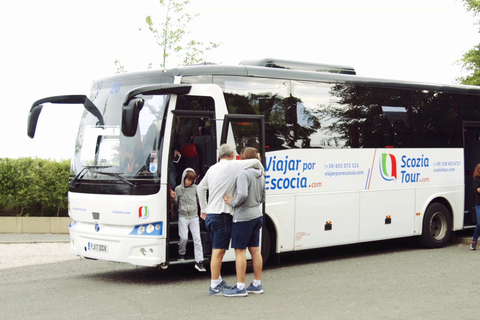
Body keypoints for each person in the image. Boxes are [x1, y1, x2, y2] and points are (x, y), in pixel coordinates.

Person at [197, 144, 263, 295]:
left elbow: (200, 188)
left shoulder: (212, 168)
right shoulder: (233, 165)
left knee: (215, 250)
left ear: (219, 155)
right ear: (233, 154)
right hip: (223, 213)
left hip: (211, 214)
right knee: (218, 252)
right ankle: (214, 285)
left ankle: (218, 281)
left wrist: (204, 209)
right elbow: (257, 162)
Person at [223, 147, 265, 297]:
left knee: (240, 251)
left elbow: (242, 194)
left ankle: (240, 287)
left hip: (243, 217)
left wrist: (231, 202)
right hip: (257, 215)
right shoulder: (261, 174)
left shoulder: (243, 174)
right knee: (255, 251)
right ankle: (257, 284)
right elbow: (263, 196)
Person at [170, 168, 206, 272]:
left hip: (194, 216)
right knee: (184, 238)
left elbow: (200, 201)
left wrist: (202, 211)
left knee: (197, 239)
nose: (188, 182)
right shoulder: (178, 189)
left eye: (191, 180)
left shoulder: (196, 188)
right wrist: (174, 198)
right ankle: (181, 253)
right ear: (184, 178)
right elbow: (176, 204)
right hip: (183, 216)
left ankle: (199, 261)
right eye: (187, 179)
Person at [471, 163, 480, 250]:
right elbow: (477, 190)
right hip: (479, 204)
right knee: (479, 223)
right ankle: (474, 241)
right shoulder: (476, 179)